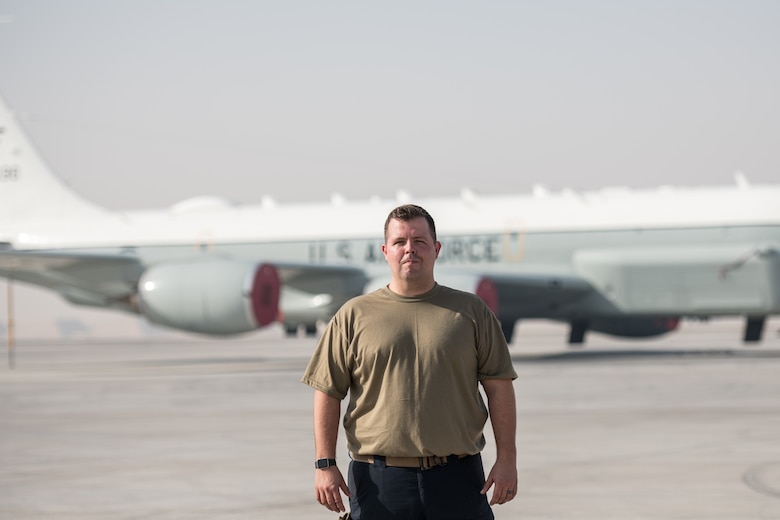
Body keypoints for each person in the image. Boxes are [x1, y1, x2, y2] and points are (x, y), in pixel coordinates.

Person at [301, 204, 518, 519]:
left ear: (436, 249)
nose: (410, 250)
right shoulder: (354, 315)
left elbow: (499, 388)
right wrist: (325, 464)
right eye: (400, 242)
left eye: (419, 241)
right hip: (378, 481)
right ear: (385, 250)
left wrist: (507, 459)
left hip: (458, 476)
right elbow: (328, 392)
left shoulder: (471, 312)